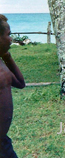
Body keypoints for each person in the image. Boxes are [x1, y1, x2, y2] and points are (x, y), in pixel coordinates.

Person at [0, 14, 26, 158]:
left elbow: (21, 84)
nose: (11, 39)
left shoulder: (2, 62)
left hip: (3, 142)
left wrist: (8, 57)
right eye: (8, 35)